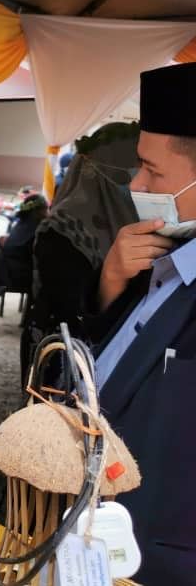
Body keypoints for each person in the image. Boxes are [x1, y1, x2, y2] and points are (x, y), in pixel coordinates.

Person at [88, 63, 196, 583]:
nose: (137, 184)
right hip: (99, 533)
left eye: (152, 171)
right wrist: (112, 280)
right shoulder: (159, 257)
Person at [22, 122, 139, 382]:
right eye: (134, 168)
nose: (140, 180)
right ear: (100, 171)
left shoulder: (132, 218)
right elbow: (71, 311)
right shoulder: (64, 230)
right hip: (66, 355)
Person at [1, 193, 47, 292]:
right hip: (18, 277)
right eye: (46, 209)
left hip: (7, 273)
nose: (48, 213)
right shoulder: (37, 229)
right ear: (36, 211)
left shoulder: (20, 224)